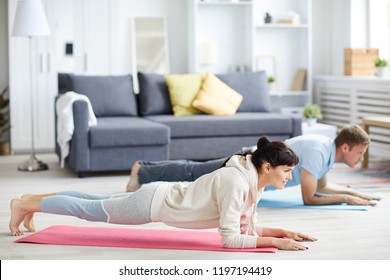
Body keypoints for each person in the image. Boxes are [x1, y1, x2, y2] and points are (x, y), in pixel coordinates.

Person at [10, 137, 317, 251]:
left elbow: (245, 226)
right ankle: (25, 202)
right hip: (153, 204)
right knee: (91, 211)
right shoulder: (237, 183)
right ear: (266, 166)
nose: (290, 177)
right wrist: (276, 242)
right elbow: (230, 239)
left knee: (92, 202)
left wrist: (284, 232)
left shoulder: (250, 180)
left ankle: (30, 201)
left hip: (160, 195)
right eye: (287, 171)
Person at [127, 125, 381, 206]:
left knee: (194, 170)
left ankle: (146, 167)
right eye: (359, 153)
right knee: (194, 172)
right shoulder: (318, 152)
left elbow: (323, 185)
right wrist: (346, 200)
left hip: (251, 165)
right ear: (345, 147)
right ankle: (143, 169)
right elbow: (310, 197)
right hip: (244, 164)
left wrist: (355, 193)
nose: (360, 159)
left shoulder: (326, 152)